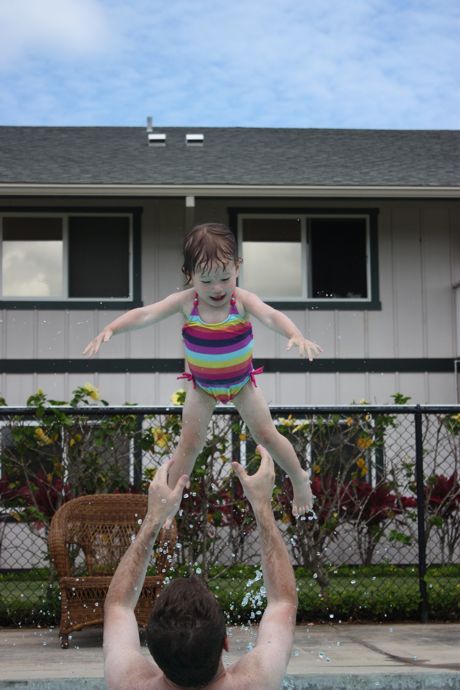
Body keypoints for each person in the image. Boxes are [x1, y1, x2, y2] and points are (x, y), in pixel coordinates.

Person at [84, 222, 322, 515]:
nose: (217, 288)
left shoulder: (242, 300)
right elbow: (146, 314)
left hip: (243, 385)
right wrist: (112, 328)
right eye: (206, 280)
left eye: (224, 277)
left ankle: (299, 478)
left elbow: (271, 316)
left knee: (267, 435)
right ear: (190, 275)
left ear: (237, 266)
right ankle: (167, 507)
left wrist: (294, 335)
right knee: (188, 446)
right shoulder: (186, 303)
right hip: (202, 389)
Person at [103, 446, 298, 690]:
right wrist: (262, 505)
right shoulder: (257, 681)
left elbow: (118, 606)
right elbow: (283, 602)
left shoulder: (128, 683)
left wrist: (154, 518)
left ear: (153, 654)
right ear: (225, 643)